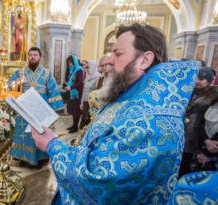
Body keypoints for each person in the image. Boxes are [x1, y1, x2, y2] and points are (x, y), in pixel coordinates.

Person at [32, 23, 199, 204]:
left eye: (118, 54)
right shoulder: (134, 97)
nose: (109, 61)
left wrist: (52, 145)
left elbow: (97, 179)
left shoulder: (153, 122)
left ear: (145, 60)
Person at [8, 47, 64, 169]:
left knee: (39, 132)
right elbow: (9, 85)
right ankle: (23, 159)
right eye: (30, 55)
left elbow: (53, 90)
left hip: (40, 110)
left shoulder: (47, 73)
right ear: (28, 57)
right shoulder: (20, 72)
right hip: (24, 109)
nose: (32, 57)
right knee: (24, 134)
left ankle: (40, 159)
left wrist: (54, 109)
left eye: (35, 55)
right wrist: (16, 84)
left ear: (40, 57)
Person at [178, 67, 218, 178]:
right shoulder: (189, 93)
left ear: (209, 81)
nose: (197, 81)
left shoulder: (213, 98)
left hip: (196, 141)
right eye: (196, 77)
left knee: (187, 173)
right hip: (183, 137)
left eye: (201, 79)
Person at [194, 74, 218, 172]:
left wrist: (207, 153)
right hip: (202, 150)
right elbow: (201, 123)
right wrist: (206, 141)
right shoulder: (216, 102)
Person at [65, 55, 84, 133]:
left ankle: (75, 127)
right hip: (72, 93)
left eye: (71, 62)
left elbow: (80, 83)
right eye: (68, 63)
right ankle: (73, 125)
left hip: (77, 94)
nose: (70, 64)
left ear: (74, 62)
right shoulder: (72, 70)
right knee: (73, 109)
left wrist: (71, 87)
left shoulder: (79, 70)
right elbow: (72, 80)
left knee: (76, 110)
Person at [79, 60, 100, 129]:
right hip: (85, 101)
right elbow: (84, 90)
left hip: (92, 103)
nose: (86, 70)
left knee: (89, 121)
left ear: (93, 67)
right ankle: (81, 136)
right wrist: (82, 102)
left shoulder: (98, 77)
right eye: (85, 68)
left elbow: (98, 92)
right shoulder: (87, 77)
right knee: (83, 120)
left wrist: (94, 105)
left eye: (88, 67)